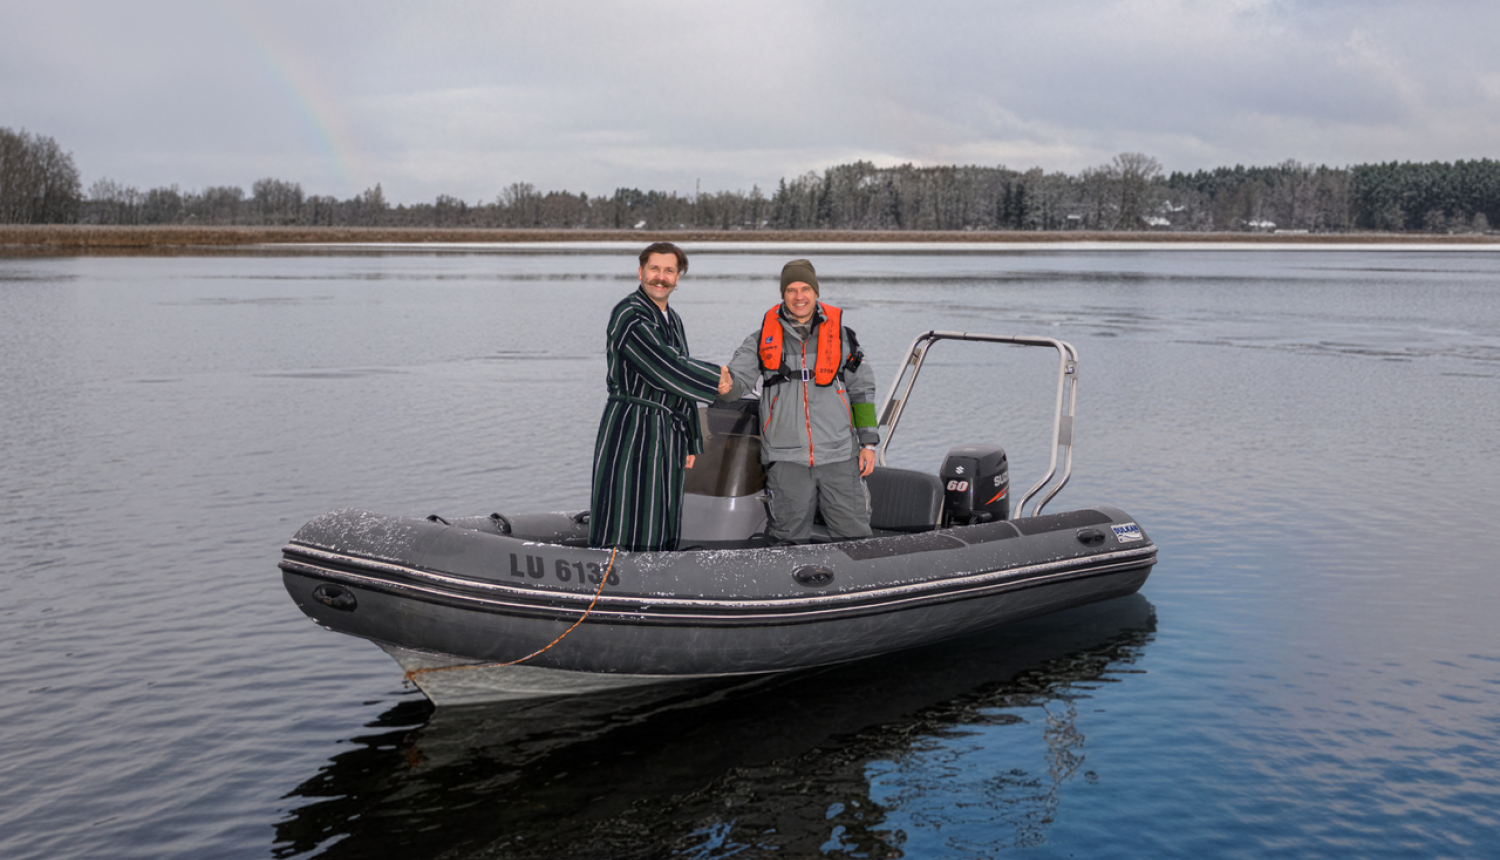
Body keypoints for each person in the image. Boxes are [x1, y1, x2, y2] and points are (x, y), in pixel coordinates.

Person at [719, 258, 879, 543]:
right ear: (783, 294)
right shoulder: (760, 339)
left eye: (805, 288)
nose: (799, 297)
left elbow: (862, 391)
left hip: (840, 454)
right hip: (785, 455)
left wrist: (868, 444)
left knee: (854, 534)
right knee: (788, 537)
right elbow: (737, 382)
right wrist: (724, 386)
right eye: (791, 290)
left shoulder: (843, 338)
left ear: (816, 292)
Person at [589, 242, 732, 552]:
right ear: (641, 272)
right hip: (632, 426)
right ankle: (614, 578)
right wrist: (715, 378)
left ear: (678, 278)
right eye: (654, 269)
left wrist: (691, 440)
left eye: (669, 271)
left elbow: (679, 388)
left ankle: (658, 579)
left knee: (664, 509)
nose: (661, 277)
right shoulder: (629, 314)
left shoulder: (673, 319)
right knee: (629, 505)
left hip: (669, 430)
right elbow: (664, 367)